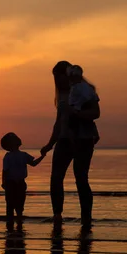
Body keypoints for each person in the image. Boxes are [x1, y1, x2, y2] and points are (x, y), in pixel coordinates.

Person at [41, 61, 101, 229]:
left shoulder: (84, 90)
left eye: (60, 77)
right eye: (55, 78)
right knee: (56, 178)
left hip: (83, 139)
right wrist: (49, 144)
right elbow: (59, 122)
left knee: (81, 178)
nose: (58, 81)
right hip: (64, 140)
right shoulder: (61, 95)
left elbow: (95, 113)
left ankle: (86, 218)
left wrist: (77, 113)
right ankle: (57, 215)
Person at [1, 132, 45, 230]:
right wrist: (4, 182)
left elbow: (33, 163)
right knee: (10, 205)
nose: (18, 138)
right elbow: (5, 171)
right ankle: (11, 225)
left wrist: (43, 156)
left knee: (20, 204)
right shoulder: (8, 156)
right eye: (15, 138)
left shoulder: (24, 155)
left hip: (20, 183)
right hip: (10, 183)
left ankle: (18, 222)